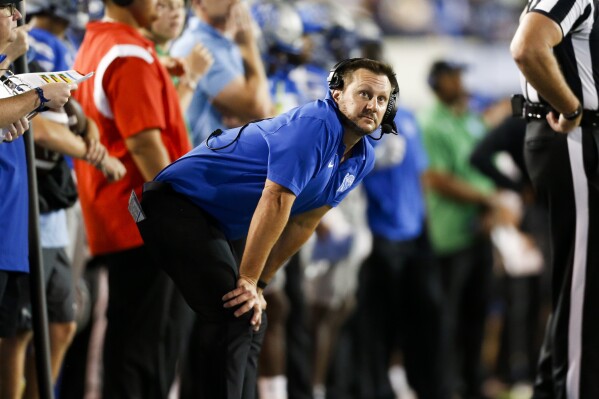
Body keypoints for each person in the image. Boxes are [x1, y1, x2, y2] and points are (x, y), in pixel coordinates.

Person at [132, 57, 399, 399]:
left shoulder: (363, 156)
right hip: (173, 204)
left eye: (381, 99)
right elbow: (276, 199)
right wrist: (247, 280)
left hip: (212, 221)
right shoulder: (316, 126)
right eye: (364, 93)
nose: (372, 106)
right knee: (237, 314)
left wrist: (260, 283)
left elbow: (304, 221)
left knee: (254, 318)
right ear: (336, 94)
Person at [71, 0, 192, 397]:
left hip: (119, 214)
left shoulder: (102, 41)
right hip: (143, 220)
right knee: (145, 349)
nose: (164, 4)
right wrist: (183, 211)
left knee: (131, 339)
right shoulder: (128, 53)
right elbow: (144, 146)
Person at [510, 1, 599, 397]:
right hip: (571, 137)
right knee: (582, 283)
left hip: (577, 139)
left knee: (577, 282)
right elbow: (527, 46)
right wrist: (572, 106)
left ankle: (554, 388)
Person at [353, 105, 448, 399]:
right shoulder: (356, 121)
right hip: (379, 231)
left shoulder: (407, 116)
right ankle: (378, 388)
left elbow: (421, 174)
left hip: (414, 233)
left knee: (421, 316)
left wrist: (425, 226)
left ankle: (413, 383)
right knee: (379, 321)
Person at [418, 60, 498, 399]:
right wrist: (488, 198)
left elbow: (484, 166)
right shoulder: (430, 123)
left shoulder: (469, 119)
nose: (461, 81)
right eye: (454, 76)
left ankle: (473, 383)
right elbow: (436, 178)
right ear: (439, 82)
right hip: (449, 234)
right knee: (446, 319)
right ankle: (444, 387)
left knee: (477, 313)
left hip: (480, 230)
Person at [170, 0, 273, 146]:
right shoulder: (200, 45)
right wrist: (248, 44)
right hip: (203, 163)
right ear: (199, 3)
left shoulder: (224, 42)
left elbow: (268, 113)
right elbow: (259, 110)